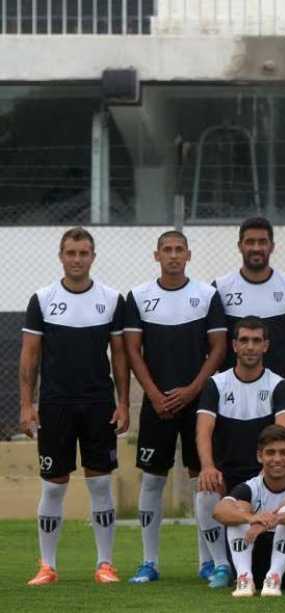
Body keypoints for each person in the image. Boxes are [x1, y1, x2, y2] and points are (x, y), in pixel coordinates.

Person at [21, 227, 130, 587]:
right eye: (71, 253)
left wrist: (124, 403)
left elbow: (120, 356)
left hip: (99, 403)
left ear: (93, 257)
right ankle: (47, 566)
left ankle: (105, 564)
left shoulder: (111, 299)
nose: (77, 259)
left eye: (84, 253)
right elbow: (29, 356)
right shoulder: (42, 299)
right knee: (53, 487)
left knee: (100, 485)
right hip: (55, 405)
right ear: (61, 256)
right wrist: (26, 404)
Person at [123, 230, 227, 584]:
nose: (173, 255)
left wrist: (193, 390)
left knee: (204, 479)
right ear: (157, 256)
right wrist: (153, 394)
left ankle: (207, 563)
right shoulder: (139, 296)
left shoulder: (207, 295)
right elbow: (132, 350)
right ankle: (149, 562)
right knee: (153, 480)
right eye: (166, 249)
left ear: (188, 255)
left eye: (179, 249)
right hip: (157, 404)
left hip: (199, 404)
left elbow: (218, 348)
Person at [194, 317, 285, 589]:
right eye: (244, 340)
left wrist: (264, 480)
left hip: (262, 476)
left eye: (256, 341)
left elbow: (284, 435)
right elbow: (203, 430)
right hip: (228, 474)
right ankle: (221, 566)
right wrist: (207, 466)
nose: (250, 346)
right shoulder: (216, 383)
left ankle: (268, 570)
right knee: (206, 488)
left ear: (266, 346)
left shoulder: (279, 385)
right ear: (234, 345)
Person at [213, 425, 285, 597]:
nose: (277, 459)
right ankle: (244, 578)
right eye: (270, 453)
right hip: (258, 563)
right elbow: (219, 511)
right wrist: (251, 518)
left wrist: (273, 519)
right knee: (237, 513)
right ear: (260, 456)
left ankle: (275, 576)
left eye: (284, 453)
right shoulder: (251, 486)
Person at [213, 216, 285, 381]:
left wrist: (283, 374)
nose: (256, 248)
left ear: (272, 246)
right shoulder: (220, 287)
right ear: (240, 246)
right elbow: (216, 344)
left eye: (262, 242)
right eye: (250, 242)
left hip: (278, 386)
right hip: (232, 388)